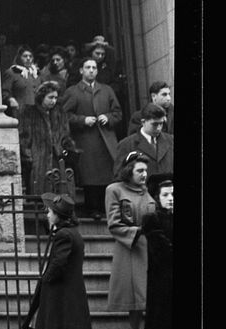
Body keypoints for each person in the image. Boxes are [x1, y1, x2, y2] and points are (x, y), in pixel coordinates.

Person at [22, 192, 93, 329]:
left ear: (58, 215)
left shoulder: (64, 235)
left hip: (63, 290)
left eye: (50, 212)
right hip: (68, 288)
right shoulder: (71, 232)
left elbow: (59, 262)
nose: (47, 215)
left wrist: (47, 278)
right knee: (52, 324)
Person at [105, 153, 156, 329]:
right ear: (129, 171)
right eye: (140, 171)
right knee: (135, 300)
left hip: (152, 249)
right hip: (131, 249)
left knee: (153, 298)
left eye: (146, 171)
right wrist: (138, 232)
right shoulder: (114, 190)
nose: (144, 175)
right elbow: (114, 223)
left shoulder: (148, 193)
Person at [61, 58, 122, 220]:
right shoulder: (73, 91)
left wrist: (108, 117)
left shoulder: (107, 90)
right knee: (90, 176)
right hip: (85, 140)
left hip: (105, 139)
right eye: (87, 67)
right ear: (81, 70)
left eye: (94, 68)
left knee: (107, 175)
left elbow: (118, 114)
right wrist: (82, 120)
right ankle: (92, 208)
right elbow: (63, 116)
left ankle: (106, 208)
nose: (91, 70)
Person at [140, 173, 173, 329]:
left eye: (173, 194)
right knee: (162, 327)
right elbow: (161, 251)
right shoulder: (152, 220)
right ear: (157, 197)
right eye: (166, 194)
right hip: (162, 281)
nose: (171, 198)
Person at [18, 81, 75, 196]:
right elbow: (24, 138)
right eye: (50, 97)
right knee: (39, 191)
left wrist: (66, 149)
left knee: (58, 190)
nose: (53, 101)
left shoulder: (59, 113)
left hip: (57, 158)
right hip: (37, 159)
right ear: (41, 97)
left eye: (55, 98)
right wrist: (29, 157)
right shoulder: (29, 113)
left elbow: (65, 135)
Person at [113, 102, 173, 178]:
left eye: (161, 124)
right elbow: (119, 176)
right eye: (154, 124)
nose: (158, 128)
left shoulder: (171, 140)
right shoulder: (127, 145)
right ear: (143, 122)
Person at [1, 47, 41, 118]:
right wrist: (11, 99)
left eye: (30, 56)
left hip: (36, 111)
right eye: (25, 56)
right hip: (20, 110)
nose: (28, 58)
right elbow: (5, 91)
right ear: (19, 57)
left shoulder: (35, 74)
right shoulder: (12, 72)